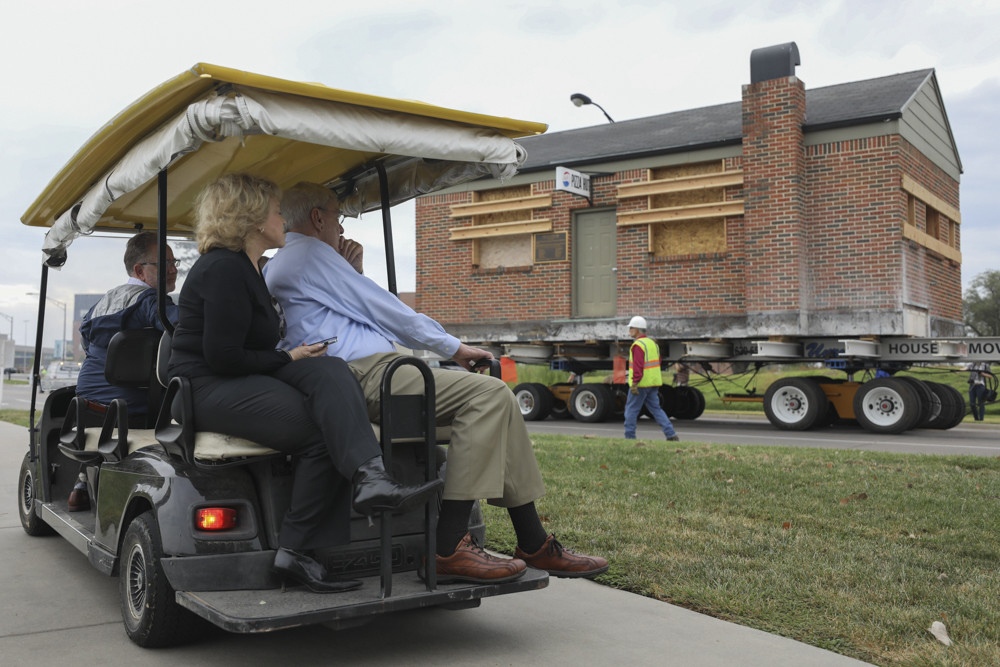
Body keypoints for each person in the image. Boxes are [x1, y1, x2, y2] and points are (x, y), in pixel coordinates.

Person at [264, 182, 609, 583]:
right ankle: (449, 549)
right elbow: (387, 310)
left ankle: (533, 543)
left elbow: (355, 313)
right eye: (337, 216)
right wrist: (455, 347)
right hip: (366, 374)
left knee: (500, 408)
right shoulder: (309, 254)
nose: (341, 228)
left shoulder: (288, 263)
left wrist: (352, 272)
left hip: (363, 373)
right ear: (317, 217)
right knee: (492, 394)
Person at [167, 173, 442, 594]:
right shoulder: (223, 267)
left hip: (239, 373)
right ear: (255, 218)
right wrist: (286, 357)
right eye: (276, 211)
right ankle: (296, 551)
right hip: (206, 386)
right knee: (321, 431)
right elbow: (223, 356)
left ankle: (371, 478)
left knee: (329, 368)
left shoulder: (247, 266)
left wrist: (292, 354)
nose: (282, 218)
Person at [69, 232, 180, 512]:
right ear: (140, 270)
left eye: (174, 261)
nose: (174, 269)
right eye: (164, 263)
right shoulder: (152, 301)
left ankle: (82, 480)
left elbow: (87, 341)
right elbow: (180, 328)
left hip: (87, 409)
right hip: (134, 412)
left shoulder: (102, 303)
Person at [622, 316, 679, 442]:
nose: (629, 330)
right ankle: (671, 435)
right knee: (656, 409)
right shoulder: (653, 343)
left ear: (636, 330)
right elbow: (658, 361)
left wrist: (635, 382)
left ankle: (629, 437)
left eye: (631, 328)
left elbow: (638, 366)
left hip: (641, 384)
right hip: (653, 383)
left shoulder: (638, 345)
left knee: (631, 410)